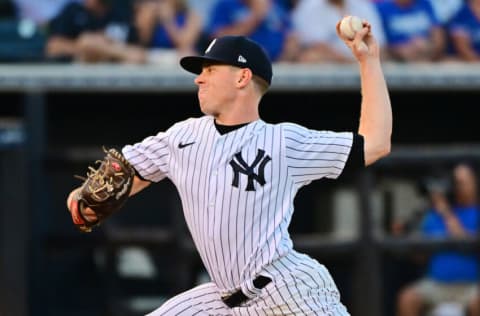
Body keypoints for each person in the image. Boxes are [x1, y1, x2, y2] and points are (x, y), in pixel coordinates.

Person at [67, 18, 392, 315]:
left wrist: (368, 60)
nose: (198, 80)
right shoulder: (182, 136)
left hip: (288, 291)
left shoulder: (283, 142)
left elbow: (376, 143)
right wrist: (86, 200)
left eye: (210, 71)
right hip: (221, 299)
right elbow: (124, 173)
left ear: (242, 76)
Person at [396, 163, 480, 316]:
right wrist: (405, 237)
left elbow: (466, 244)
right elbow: (420, 258)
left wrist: (445, 212)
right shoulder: (434, 214)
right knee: (407, 298)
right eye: (456, 182)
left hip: (471, 286)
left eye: (462, 182)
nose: (458, 187)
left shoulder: (470, 212)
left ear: (474, 182)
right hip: (437, 285)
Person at [45, 0, 145, 63]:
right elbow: (53, 47)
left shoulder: (120, 10)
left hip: (118, 67)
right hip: (82, 67)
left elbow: (136, 45)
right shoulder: (73, 10)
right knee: (87, 41)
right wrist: (93, 47)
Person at [292, 0, 387, 63]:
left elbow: (378, 42)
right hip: (331, 68)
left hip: (365, 64)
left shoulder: (363, 5)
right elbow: (316, 46)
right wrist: (351, 63)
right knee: (311, 57)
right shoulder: (308, 7)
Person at [206, 0, 300, 62]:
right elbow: (219, 40)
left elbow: (291, 35)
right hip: (240, 65)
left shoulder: (275, 5)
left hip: (278, 64)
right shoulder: (226, 5)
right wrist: (256, 16)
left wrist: (284, 60)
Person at [375, 0, 446, 62]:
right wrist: (401, 50)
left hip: (428, 59)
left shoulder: (425, 3)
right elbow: (380, 46)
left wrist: (428, 47)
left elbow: (439, 40)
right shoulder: (381, 8)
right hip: (396, 64)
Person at [133, 0, 202, 59]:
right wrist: (148, 19)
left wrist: (168, 20)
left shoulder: (192, 16)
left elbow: (184, 44)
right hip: (156, 55)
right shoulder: (152, 12)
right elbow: (143, 40)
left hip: (178, 55)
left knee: (187, 54)